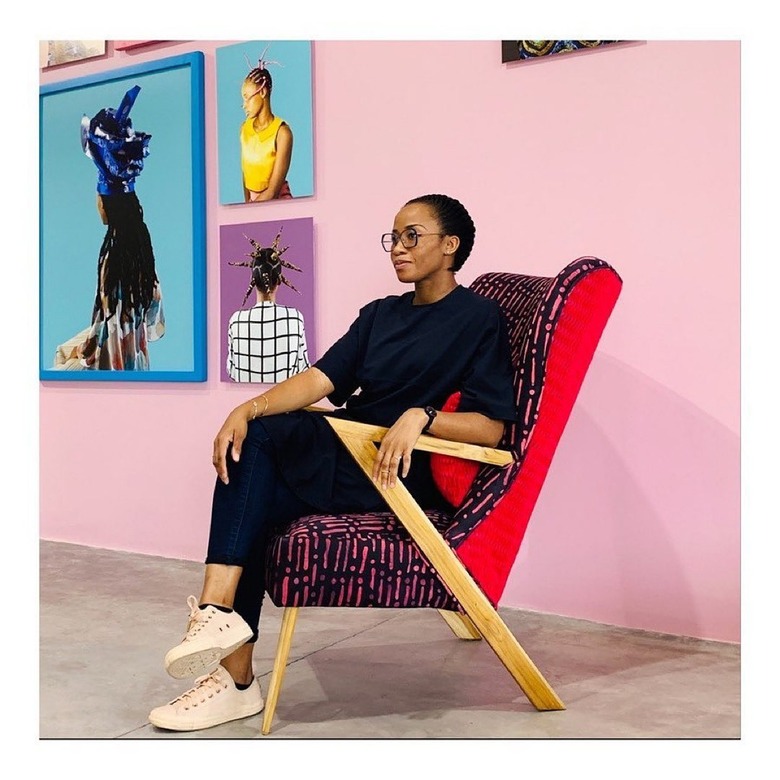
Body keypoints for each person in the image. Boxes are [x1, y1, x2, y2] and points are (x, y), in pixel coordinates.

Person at [148, 194, 517, 732]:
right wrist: (246, 407)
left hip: (397, 471)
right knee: (255, 475)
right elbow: (320, 379)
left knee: (263, 448)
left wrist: (424, 416)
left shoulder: (479, 319)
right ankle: (231, 665)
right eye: (393, 237)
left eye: (412, 236)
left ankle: (221, 629)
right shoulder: (380, 314)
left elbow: (492, 427)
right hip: (350, 449)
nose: (398, 248)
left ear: (450, 245)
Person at [55, 84, 165, 371]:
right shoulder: (143, 252)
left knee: (60, 361)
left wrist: (84, 350)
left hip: (111, 367)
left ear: (106, 206)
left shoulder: (112, 255)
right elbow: (155, 321)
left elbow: (106, 329)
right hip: (138, 361)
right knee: (65, 350)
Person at [226, 228, 310, 383]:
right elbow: (303, 368)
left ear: (253, 279)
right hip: (285, 396)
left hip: (244, 397)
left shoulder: (236, 320)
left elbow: (232, 371)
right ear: (279, 280)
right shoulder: (294, 318)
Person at [240, 50, 294, 202]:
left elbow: (272, 191)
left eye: (247, 98)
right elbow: (245, 173)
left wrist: (249, 211)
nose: (244, 105)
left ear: (262, 92)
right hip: (253, 205)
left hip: (277, 203)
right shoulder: (244, 129)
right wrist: (245, 207)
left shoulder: (282, 133)